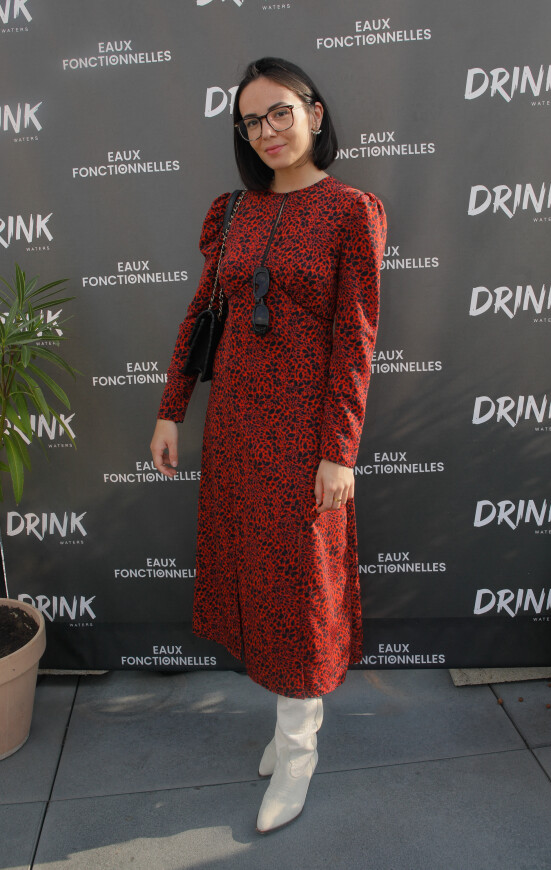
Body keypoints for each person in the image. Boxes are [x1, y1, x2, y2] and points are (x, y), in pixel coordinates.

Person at [150, 57, 387, 834]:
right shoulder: (235, 211)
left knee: (301, 593)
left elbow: (356, 341)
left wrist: (340, 450)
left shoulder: (352, 210)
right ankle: (288, 723)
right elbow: (201, 318)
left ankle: (299, 752)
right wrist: (171, 410)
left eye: (280, 112)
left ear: (314, 112)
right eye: (252, 121)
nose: (268, 131)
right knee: (255, 580)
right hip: (237, 432)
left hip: (306, 437)